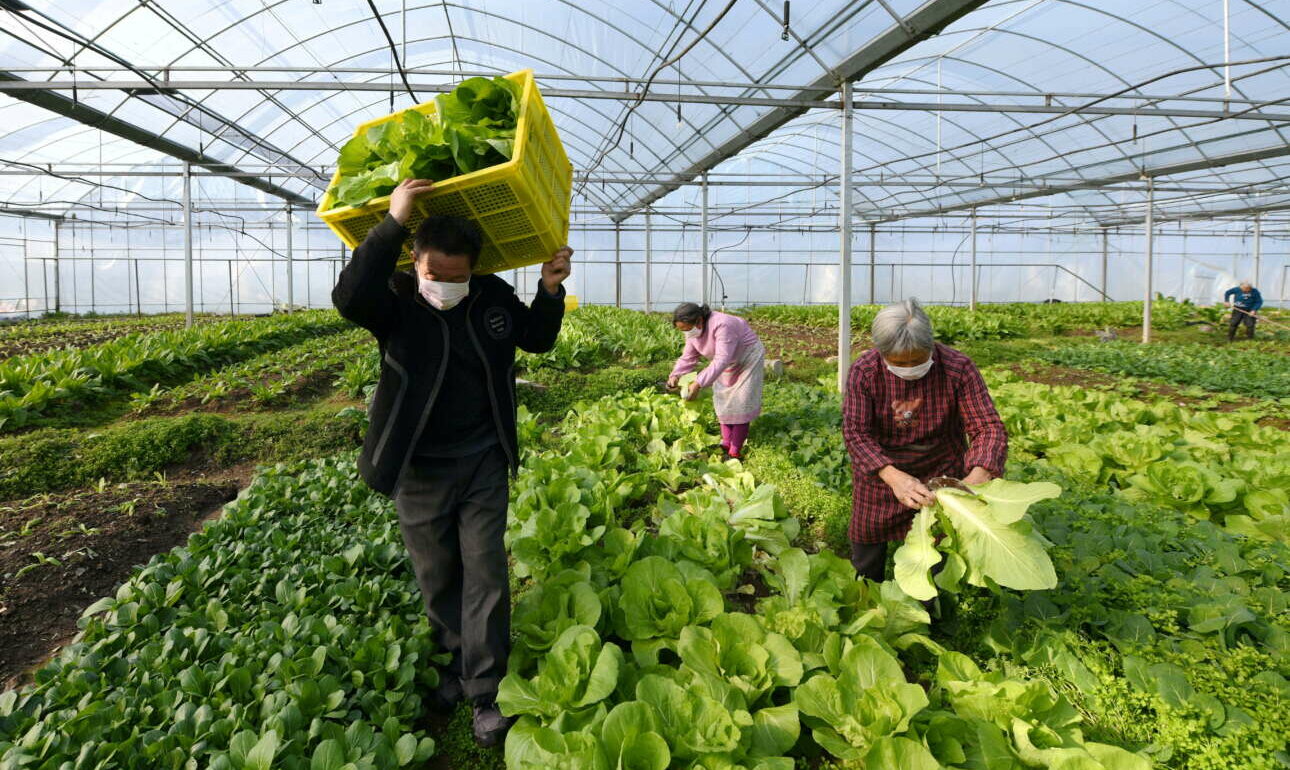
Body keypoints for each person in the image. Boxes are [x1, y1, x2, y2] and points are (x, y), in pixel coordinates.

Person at [331, 178, 572, 747]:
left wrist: (549, 290)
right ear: (415, 261)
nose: (442, 284)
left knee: (485, 571)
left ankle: (486, 688)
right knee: (436, 573)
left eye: (455, 275)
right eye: (433, 273)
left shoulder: (489, 298)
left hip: (482, 459)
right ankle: (449, 662)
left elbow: (535, 340)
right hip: (419, 467)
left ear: (475, 269)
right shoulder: (392, 299)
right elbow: (347, 299)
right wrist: (392, 222)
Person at [841, 298, 1008, 583]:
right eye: (898, 363)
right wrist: (893, 477)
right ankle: (867, 593)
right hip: (883, 474)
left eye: (917, 360)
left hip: (940, 469)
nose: (909, 368)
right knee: (868, 539)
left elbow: (987, 427)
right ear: (881, 353)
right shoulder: (865, 372)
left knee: (938, 544)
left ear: (931, 346)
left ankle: (928, 608)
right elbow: (857, 434)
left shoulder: (958, 368)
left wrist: (980, 472)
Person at [666, 302, 766, 458]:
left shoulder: (722, 325)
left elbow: (721, 359)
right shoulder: (693, 332)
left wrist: (698, 383)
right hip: (726, 360)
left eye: (686, 329)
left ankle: (735, 452)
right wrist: (675, 375)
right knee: (723, 400)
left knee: (741, 402)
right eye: (682, 330)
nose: (686, 333)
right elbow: (688, 357)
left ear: (699, 321)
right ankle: (725, 443)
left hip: (747, 358)